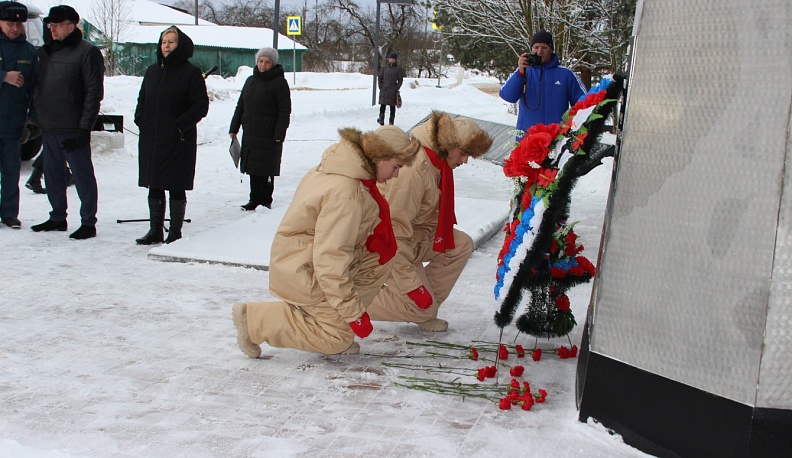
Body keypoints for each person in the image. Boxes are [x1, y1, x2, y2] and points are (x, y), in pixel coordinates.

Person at [232, 126, 420, 357]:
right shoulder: (347, 193)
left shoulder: (340, 170)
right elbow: (330, 258)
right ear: (380, 157)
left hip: (308, 260)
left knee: (377, 260)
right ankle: (255, 320)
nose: (396, 175)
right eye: (396, 167)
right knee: (337, 339)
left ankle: (331, 321)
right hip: (303, 269)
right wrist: (352, 313)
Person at [366, 111, 493, 332]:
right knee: (418, 306)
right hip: (381, 245)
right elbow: (392, 233)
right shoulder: (414, 170)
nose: (464, 161)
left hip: (412, 236)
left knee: (460, 245)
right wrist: (412, 286)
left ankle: (426, 308)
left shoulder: (437, 162)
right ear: (447, 144)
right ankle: (334, 304)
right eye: (463, 154)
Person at [30, 5, 104, 240]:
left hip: (73, 127)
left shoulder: (87, 52)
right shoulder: (45, 52)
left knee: (82, 175)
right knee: (52, 174)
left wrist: (85, 127)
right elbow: (39, 86)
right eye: (50, 25)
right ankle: (57, 217)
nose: (52, 29)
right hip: (49, 124)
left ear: (71, 26)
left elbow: (94, 92)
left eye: (57, 25)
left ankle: (88, 222)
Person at [134, 26, 209, 245]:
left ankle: (175, 232)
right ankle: (155, 230)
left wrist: (179, 125)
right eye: (163, 41)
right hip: (153, 137)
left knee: (176, 184)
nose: (166, 45)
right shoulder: (152, 71)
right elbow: (142, 100)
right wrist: (142, 120)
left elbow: (200, 105)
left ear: (181, 44)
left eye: (171, 41)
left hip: (178, 139)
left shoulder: (190, 72)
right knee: (154, 182)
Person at [229, 47, 291, 211]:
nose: (263, 65)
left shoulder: (279, 83)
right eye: (261, 61)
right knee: (252, 167)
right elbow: (240, 106)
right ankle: (253, 199)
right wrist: (234, 127)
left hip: (269, 133)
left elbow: (284, 110)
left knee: (266, 168)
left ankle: (265, 200)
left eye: (267, 62)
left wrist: (279, 133)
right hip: (251, 131)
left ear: (273, 63)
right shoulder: (250, 81)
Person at [499, 29, 585, 135]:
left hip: (556, 138)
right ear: (531, 50)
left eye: (544, 47)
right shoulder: (523, 72)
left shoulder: (566, 74)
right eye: (536, 47)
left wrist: (571, 126)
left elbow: (584, 104)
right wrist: (520, 73)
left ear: (551, 50)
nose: (539, 52)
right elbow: (507, 96)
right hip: (527, 138)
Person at [0, 1, 37, 229]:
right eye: (9, 23)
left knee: (11, 170)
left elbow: (34, 87)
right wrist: (4, 76)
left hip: (13, 122)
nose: (14, 28)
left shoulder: (29, 51)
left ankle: (9, 213)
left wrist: (32, 118)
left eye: (18, 24)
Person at [377, 52, 402, 126]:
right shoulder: (384, 68)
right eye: (390, 58)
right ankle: (381, 120)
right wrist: (380, 86)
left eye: (393, 59)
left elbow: (400, 80)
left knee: (392, 107)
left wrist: (396, 88)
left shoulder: (398, 69)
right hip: (384, 89)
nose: (391, 60)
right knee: (382, 105)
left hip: (392, 90)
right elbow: (380, 77)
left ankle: (391, 122)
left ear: (395, 60)